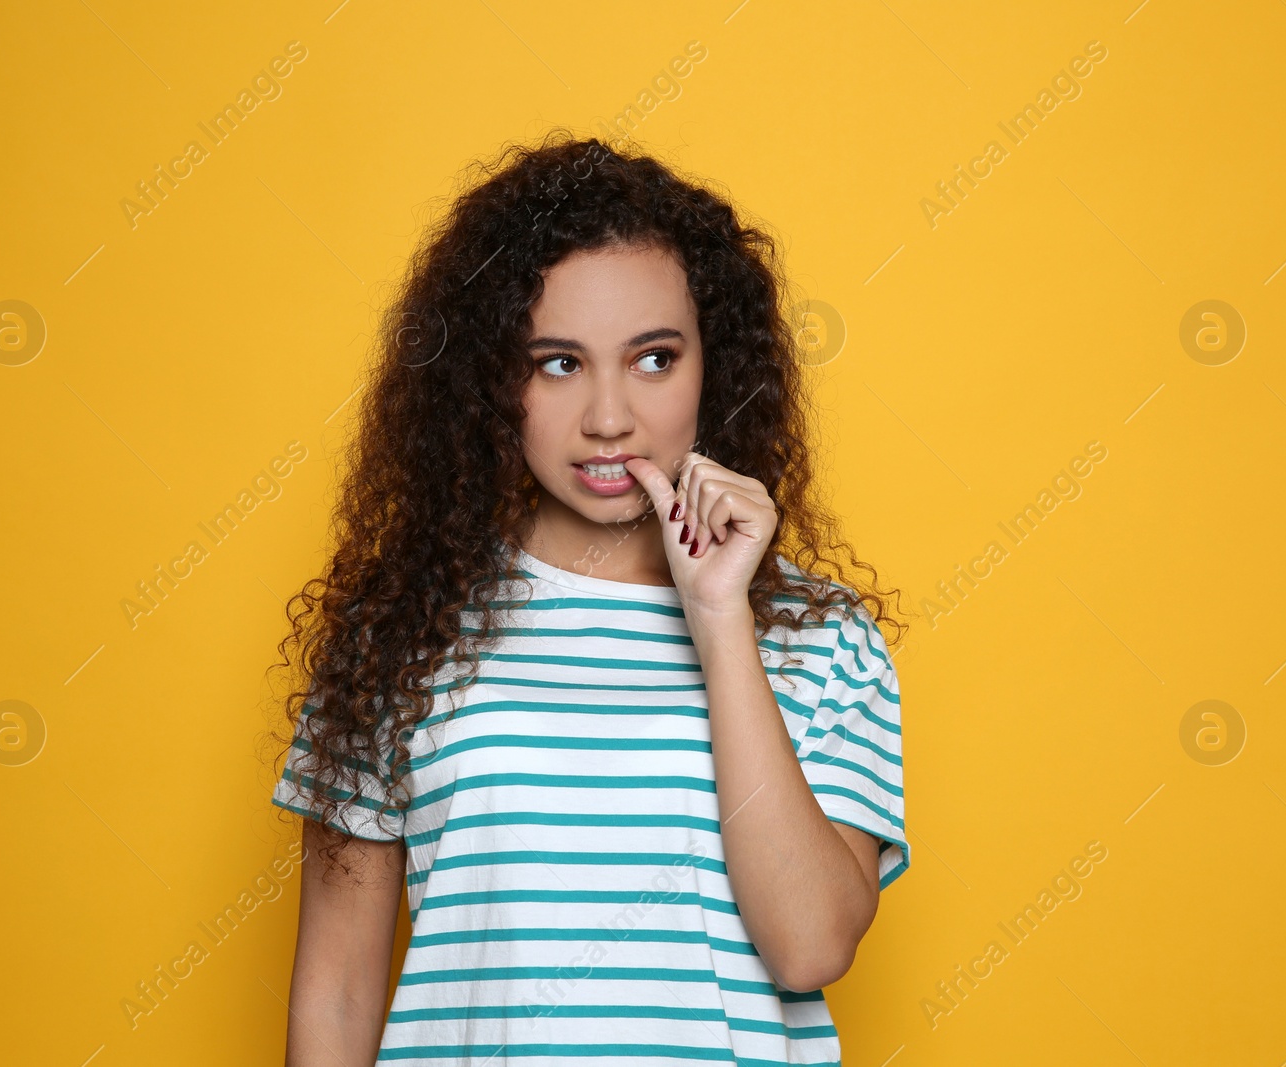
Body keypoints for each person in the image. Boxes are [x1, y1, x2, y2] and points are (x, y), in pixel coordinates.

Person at [269, 130, 910, 1066]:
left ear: (713, 365)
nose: (610, 416)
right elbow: (336, 990)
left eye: (653, 357)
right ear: (492, 382)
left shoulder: (821, 641)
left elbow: (810, 944)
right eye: (558, 363)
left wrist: (721, 614)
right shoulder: (399, 631)